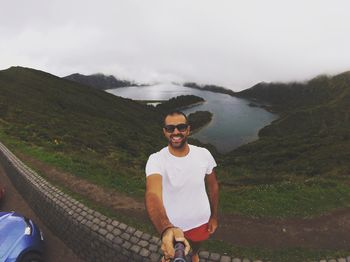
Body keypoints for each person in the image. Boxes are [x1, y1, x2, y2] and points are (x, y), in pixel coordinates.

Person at [145, 111, 219, 262]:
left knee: (197, 246)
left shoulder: (204, 154)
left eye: (181, 127)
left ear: (188, 129)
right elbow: (153, 194)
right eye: (170, 128)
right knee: (171, 253)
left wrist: (214, 216)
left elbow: (213, 187)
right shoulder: (156, 159)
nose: (176, 132)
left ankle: (194, 253)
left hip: (201, 221)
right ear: (165, 131)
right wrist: (166, 228)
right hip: (172, 225)